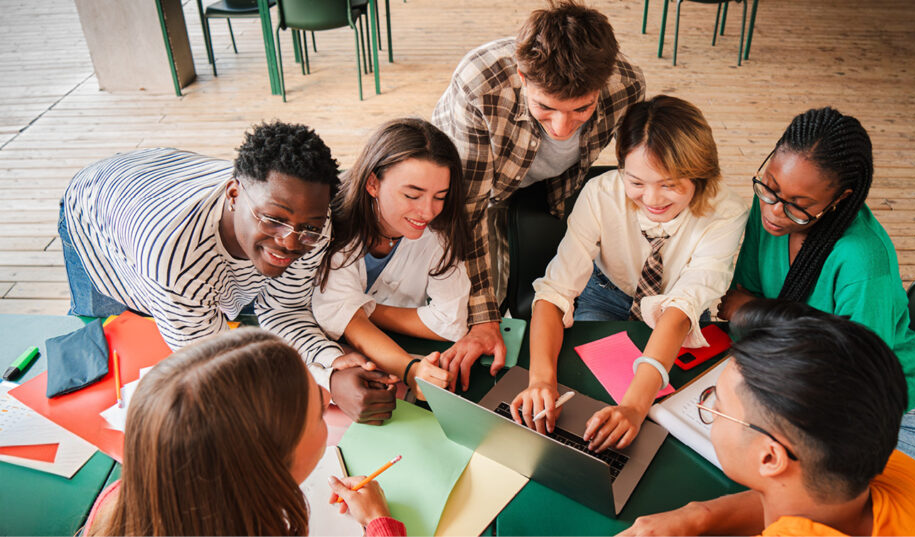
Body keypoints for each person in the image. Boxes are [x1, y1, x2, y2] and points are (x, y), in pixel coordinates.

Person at [59, 122, 397, 424]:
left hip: (164, 180)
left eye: (307, 228)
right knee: (100, 356)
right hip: (97, 215)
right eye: (274, 219)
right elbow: (218, 361)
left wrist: (333, 363)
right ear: (234, 195)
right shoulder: (172, 258)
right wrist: (326, 383)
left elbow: (284, 310)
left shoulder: (312, 227)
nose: (290, 243)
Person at [511, 96, 747, 451]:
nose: (651, 198)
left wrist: (636, 406)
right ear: (621, 168)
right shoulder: (599, 194)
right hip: (604, 295)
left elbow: (682, 307)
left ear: (700, 173)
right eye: (635, 181)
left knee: (668, 411)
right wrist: (541, 380)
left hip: (679, 314)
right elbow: (556, 290)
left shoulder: (726, 211)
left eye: (669, 184)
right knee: (582, 394)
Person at [716, 107, 915, 470]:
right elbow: (738, 302)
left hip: (890, 412)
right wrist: (765, 319)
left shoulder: (863, 259)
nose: (775, 211)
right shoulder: (770, 213)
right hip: (800, 382)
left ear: (839, 199)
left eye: (798, 206)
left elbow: (855, 377)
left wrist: (755, 314)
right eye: (770, 187)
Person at [432, 0, 646, 388]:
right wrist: (483, 319)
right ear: (522, 77)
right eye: (545, 107)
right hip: (480, 187)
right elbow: (468, 211)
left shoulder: (628, 84)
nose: (563, 127)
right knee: (475, 305)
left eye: (581, 109)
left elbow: (632, 174)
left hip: (558, 185)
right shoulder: (479, 84)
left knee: (550, 288)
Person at [620, 299, 915, 536]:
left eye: (716, 407)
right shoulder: (906, 477)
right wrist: (699, 516)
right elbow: (801, 502)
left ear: (770, 456)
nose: (710, 411)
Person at [84, 328, 406, 536]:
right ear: (266, 470)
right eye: (318, 416)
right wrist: (379, 523)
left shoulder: (125, 498)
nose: (327, 397)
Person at [313, 118, 473, 398]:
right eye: (412, 195)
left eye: (440, 196)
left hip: (379, 353)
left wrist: (364, 310)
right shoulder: (331, 223)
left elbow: (450, 322)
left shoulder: (439, 234)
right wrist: (409, 369)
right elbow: (344, 318)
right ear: (373, 183)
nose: (427, 212)